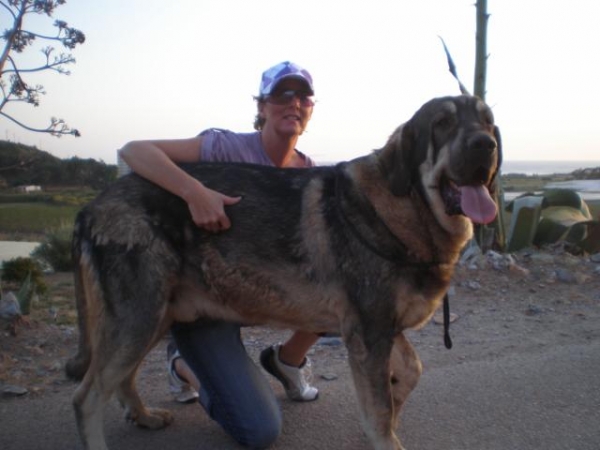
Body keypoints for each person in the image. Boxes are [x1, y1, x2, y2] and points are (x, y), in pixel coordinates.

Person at [119, 61, 321, 448]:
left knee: (338, 293)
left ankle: (287, 362)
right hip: (205, 302)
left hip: (258, 296)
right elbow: (134, 151)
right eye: (283, 94)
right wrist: (195, 192)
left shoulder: (307, 171)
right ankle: (183, 366)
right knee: (260, 430)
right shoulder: (225, 147)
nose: (294, 103)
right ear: (262, 106)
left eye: (303, 96)